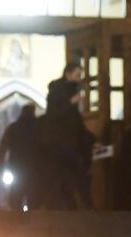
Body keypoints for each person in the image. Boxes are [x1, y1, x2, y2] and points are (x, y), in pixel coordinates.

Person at [38, 68, 95, 209]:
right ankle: (87, 206)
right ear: (68, 74)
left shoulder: (70, 90)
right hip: (59, 142)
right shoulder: (58, 91)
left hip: (67, 142)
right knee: (75, 174)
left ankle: (70, 206)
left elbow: (76, 122)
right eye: (77, 74)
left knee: (63, 175)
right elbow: (54, 114)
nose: (80, 77)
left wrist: (92, 140)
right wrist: (70, 103)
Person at [0, 102, 39, 211]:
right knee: (32, 201)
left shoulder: (14, 128)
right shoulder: (39, 127)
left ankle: (17, 225)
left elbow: (2, 149)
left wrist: (1, 167)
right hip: (33, 170)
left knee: (16, 200)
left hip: (18, 168)